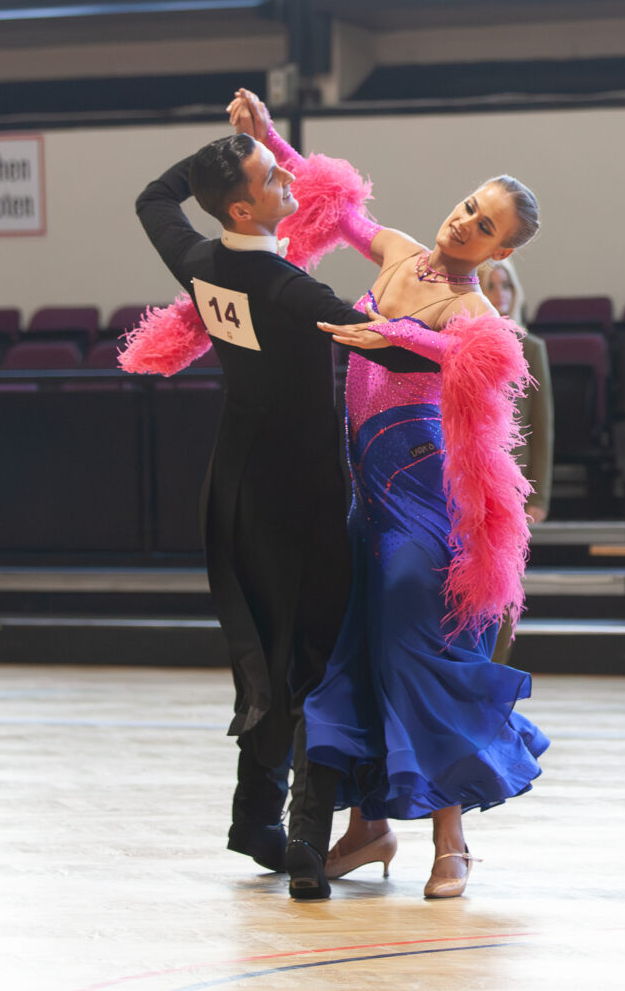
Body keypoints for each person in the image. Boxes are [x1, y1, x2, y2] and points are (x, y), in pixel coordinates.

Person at [228, 90, 549, 900]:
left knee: (421, 651)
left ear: (500, 251)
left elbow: (455, 359)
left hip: (422, 502)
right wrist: (272, 139)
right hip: (363, 497)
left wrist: (394, 332)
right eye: (469, 206)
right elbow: (335, 205)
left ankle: (453, 839)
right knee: (352, 651)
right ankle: (367, 828)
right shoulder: (400, 252)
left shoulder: (480, 320)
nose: (464, 223)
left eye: (485, 226)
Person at [124, 114, 437, 900]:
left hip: (233, 485)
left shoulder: (198, 259)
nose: (290, 184)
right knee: (317, 659)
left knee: (262, 646)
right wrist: (464, 337)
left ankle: (253, 820)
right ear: (241, 210)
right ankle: (305, 841)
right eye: (272, 178)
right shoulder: (291, 290)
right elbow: (387, 343)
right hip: (300, 494)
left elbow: (152, 198)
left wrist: (216, 161)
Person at [478, 259, 554, 665]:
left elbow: (542, 427)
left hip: (512, 485)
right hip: (468, 478)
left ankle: (497, 671)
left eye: (505, 285)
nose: (500, 294)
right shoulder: (460, 343)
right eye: (490, 285)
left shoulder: (532, 348)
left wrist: (537, 494)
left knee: (505, 583)